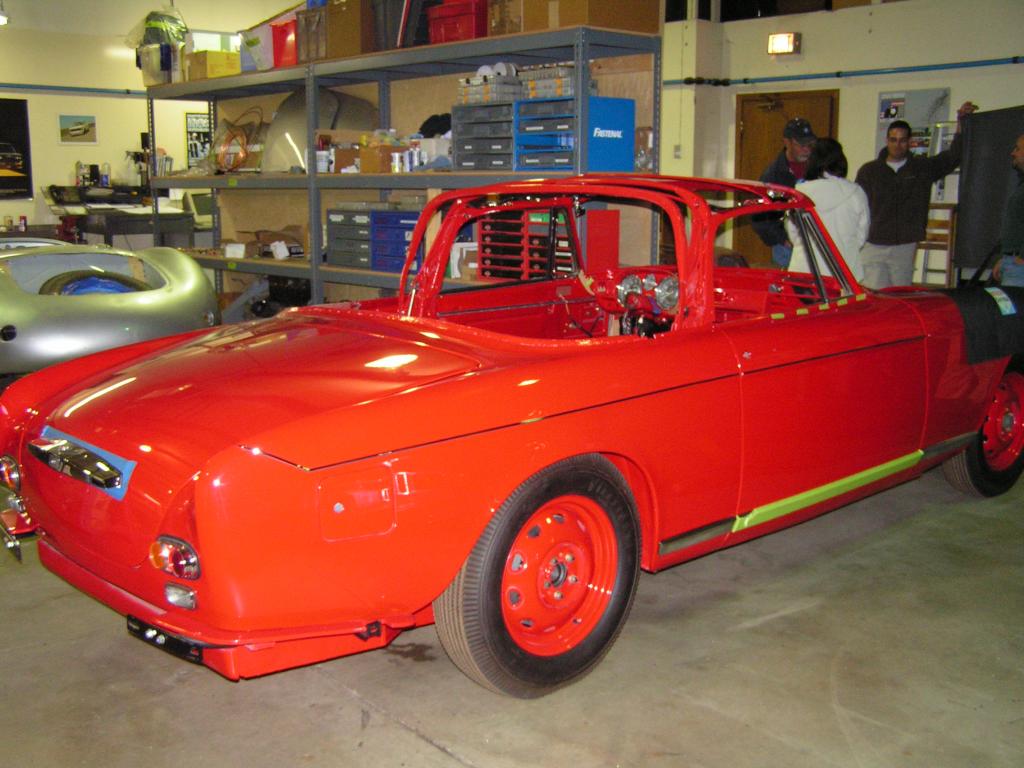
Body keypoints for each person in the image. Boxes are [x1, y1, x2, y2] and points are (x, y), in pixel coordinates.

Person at [854, 100, 978, 289]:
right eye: (893, 140)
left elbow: (953, 157)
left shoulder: (922, 168)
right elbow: (858, 206)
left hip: (905, 244)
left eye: (902, 140)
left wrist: (962, 122)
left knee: (900, 295)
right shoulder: (869, 171)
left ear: (910, 142)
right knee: (875, 296)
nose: (897, 145)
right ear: (887, 140)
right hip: (873, 243)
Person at [786, 138, 870, 281]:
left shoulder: (799, 193)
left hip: (805, 270)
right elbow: (862, 234)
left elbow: (793, 232)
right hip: (844, 271)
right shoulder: (855, 192)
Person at [753, 117, 817, 268]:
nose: (807, 149)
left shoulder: (817, 170)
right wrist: (782, 239)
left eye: (810, 144)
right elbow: (758, 215)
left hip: (815, 243)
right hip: (787, 249)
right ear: (787, 142)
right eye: (801, 144)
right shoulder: (772, 176)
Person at [993, 133, 1024, 287]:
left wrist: (1020, 258)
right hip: (1012, 261)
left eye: (1018, 149)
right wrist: (1006, 258)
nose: (1013, 153)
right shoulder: (1021, 184)